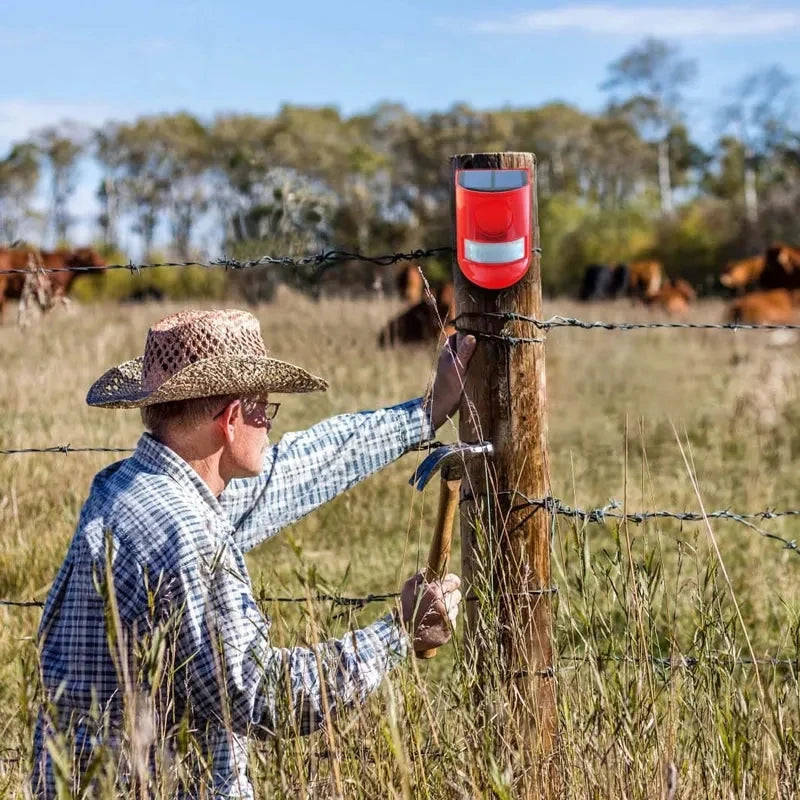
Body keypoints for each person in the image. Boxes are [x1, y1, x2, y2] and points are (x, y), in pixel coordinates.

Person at [31, 308, 475, 799]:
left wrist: (424, 413)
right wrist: (397, 632)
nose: (268, 424)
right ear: (231, 420)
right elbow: (261, 694)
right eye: (264, 408)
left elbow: (299, 468)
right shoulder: (187, 533)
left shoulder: (127, 489)